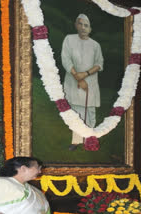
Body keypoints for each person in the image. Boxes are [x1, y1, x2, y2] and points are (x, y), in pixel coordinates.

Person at [61, 14, 104, 151]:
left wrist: (85, 75)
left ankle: (90, 140)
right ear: (76, 25)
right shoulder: (69, 39)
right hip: (73, 82)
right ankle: (76, 141)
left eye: (86, 25)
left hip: (90, 83)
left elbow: (99, 64)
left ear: (90, 29)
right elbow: (66, 59)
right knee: (75, 112)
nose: (83, 27)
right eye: (81, 24)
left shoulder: (95, 45)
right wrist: (77, 77)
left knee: (89, 112)